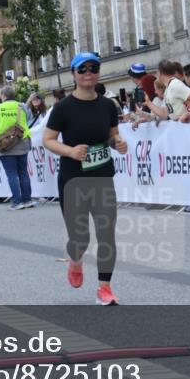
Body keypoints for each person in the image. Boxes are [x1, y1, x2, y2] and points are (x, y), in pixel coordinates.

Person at [43, 52, 129, 305]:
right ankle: (76, 260)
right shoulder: (63, 108)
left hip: (102, 177)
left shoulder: (107, 105)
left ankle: (104, 288)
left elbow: (112, 135)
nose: (88, 73)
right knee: (80, 238)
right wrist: (70, 151)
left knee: (106, 234)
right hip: (73, 180)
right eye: (82, 69)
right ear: (74, 74)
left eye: (93, 68)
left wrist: (118, 143)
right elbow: (47, 140)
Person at [0, 86, 34, 210]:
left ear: (4, 96)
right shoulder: (22, 106)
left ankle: (17, 202)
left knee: (12, 173)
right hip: (22, 141)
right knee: (23, 172)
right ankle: (27, 200)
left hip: (5, 143)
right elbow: (29, 118)